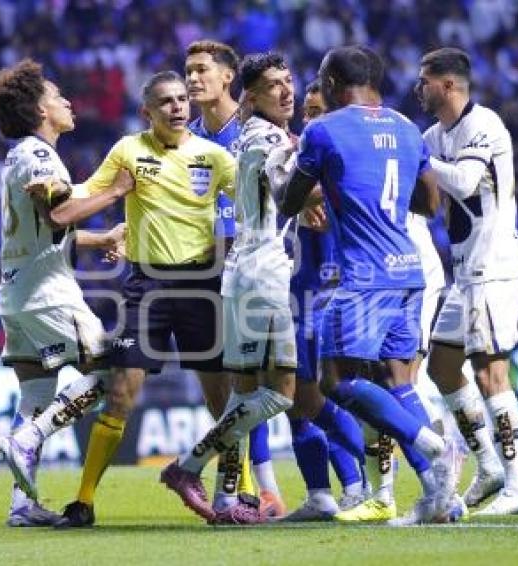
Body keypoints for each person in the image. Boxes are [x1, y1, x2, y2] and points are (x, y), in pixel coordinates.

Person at [278, 45, 462, 525]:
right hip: (409, 270)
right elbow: (430, 203)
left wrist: (293, 174)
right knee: (397, 382)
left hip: (365, 275)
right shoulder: (406, 127)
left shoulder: (323, 130)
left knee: (336, 381)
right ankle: (439, 497)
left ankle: (435, 446)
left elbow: (288, 201)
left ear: (331, 84)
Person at [55, 70, 237, 527]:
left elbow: (254, 200)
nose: (177, 107)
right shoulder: (128, 150)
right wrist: (55, 196)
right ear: (147, 112)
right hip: (146, 286)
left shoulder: (214, 156)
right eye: (166, 102)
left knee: (224, 400)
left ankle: (242, 494)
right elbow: (87, 192)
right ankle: (83, 502)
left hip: (201, 285)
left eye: (182, 100)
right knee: (120, 393)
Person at [0, 59, 128, 526]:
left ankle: (21, 505)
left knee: (34, 397)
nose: (67, 101)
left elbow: (43, 233)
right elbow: (60, 216)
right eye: (56, 96)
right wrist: (116, 191)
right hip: (48, 293)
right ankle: (26, 441)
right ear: (39, 110)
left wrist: (102, 239)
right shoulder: (41, 155)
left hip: (16, 293)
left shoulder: (18, 156)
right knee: (110, 372)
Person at [160, 52, 299, 524]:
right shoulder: (266, 137)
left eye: (289, 81)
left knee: (241, 394)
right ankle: (188, 465)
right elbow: (289, 192)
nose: (287, 91)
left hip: (239, 270)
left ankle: (227, 499)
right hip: (259, 272)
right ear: (252, 96)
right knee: (280, 393)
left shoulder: (249, 135)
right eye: (275, 85)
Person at [416, 47, 518, 515]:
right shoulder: (431, 135)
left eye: (425, 80)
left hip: (494, 265)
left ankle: (517, 483)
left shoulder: (485, 125)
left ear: (448, 85)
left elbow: (466, 182)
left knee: (489, 371)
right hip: (465, 271)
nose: (419, 88)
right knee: (443, 367)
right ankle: (488, 465)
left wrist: (419, 161)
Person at [185, 39, 283, 520]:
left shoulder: (253, 130)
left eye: (202, 69)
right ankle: (240, 484)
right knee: (217, 391)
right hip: (200, 271)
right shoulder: (184, 138)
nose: (193, 79)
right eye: (188, 71)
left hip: (250, 265)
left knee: (260, 383)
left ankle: (265, 487)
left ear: (228, 77)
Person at [282, 80, 367, 521]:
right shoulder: (295, 163)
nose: (310, 120)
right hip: (292, 296)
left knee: (323, 398)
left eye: (318, 112)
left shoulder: (340, 169)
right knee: (294, 402)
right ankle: (320, 493)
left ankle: (365, 482)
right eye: (307, 113)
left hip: (328, 296)